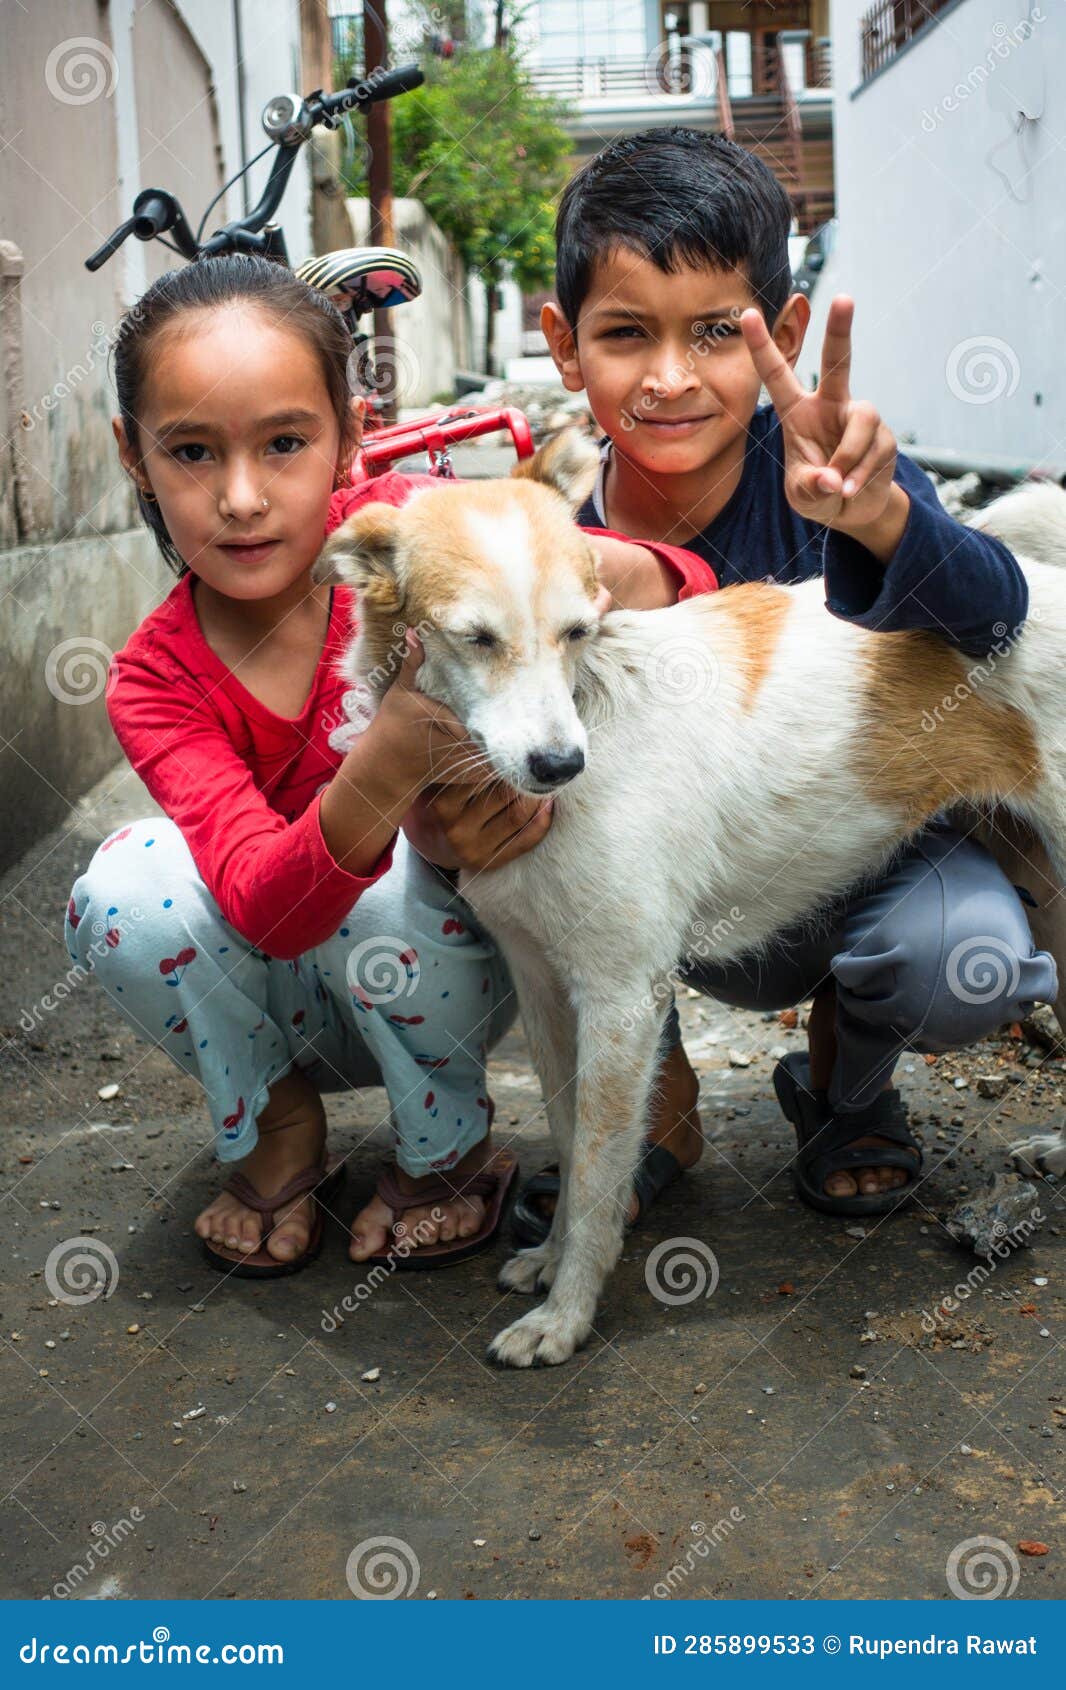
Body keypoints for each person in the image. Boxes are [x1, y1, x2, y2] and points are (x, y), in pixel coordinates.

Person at [66, 254, 711, 1274]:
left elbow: (686, 584)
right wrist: (387, 763)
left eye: (285, 442)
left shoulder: (423, 534)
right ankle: (280, 1126)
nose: (241, 497)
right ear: (132, 455)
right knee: (122, 890)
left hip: (440, 973)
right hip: (278, 986)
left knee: (390, 877)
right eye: (191, 451)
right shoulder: (155, 677)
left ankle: (445, 1152)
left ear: (352, 435)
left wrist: (575, 563)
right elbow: (273, 912)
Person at [508, 125, 1056, 1233]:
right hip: (676, 898)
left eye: (716, 332)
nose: (669, 378)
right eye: (625, 334)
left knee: (962, 959)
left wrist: (884, 518)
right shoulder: (548, 550)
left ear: (786, 334)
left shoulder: (830, 472)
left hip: (866, 870)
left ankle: (844, 1089)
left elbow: (996, 614)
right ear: (565, 346)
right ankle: (652, 1106)